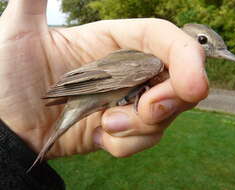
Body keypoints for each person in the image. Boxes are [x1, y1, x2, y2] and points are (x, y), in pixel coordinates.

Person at [0, 0, 208, 189]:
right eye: (204, 41)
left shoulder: (158, 65)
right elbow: (101, 78)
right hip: (86, 95)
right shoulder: (152, 62)